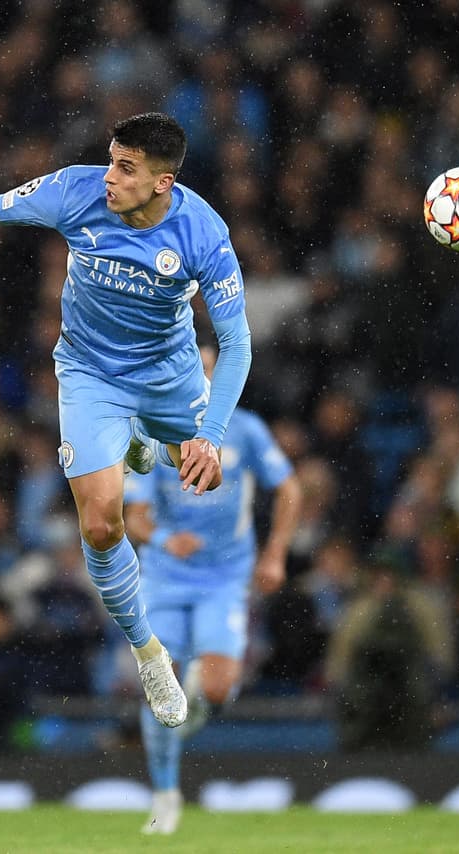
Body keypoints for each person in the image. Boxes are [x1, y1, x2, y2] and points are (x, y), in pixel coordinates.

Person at [0, 112, 253, 729]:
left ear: (162, 182)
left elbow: (237, 345)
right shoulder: (77, 190)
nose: (110, 176)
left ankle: (150, 439)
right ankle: (150, 653)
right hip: (89, 375)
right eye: (111, 159)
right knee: (100, 527)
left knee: (204, 480)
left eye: (126, 167)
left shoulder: (203, 233)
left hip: (169, 375)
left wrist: (210, 435)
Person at [123, 345, 301, 835]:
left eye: (207, 371)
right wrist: (163, 538)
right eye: (192, 371)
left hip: (224, 576)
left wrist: (275, 554)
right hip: (165, 574)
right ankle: (164, 795)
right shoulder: (151, 430)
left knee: (219, 687)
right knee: (159, 688)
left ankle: (196, 699)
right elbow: (133, 515)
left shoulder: (243, 429)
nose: (200, 380)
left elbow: (289, 489)